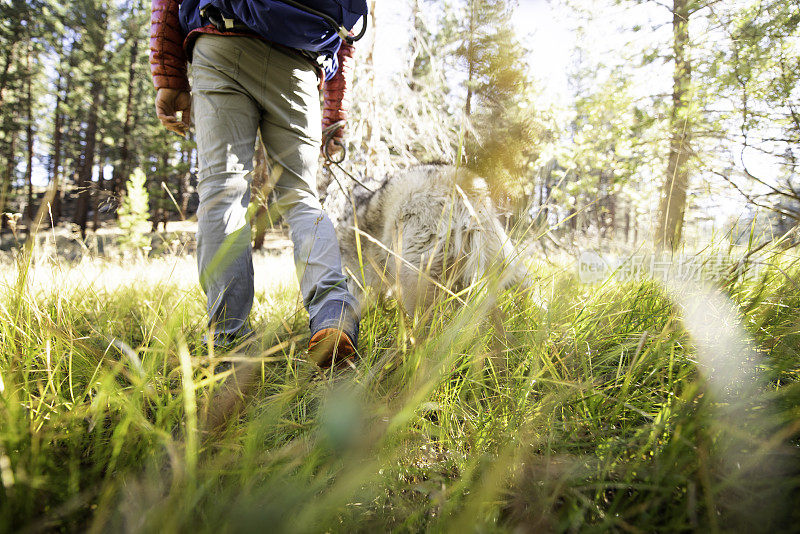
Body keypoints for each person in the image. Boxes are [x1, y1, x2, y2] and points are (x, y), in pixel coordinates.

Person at [149, 0, 367, 367]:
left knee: (223, 191)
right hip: (300, 59)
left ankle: (230, 343)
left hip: (223, 43)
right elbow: (344, 37)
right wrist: (334, 115)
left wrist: (168, 76)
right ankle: (333, 314)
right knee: (301, 197)